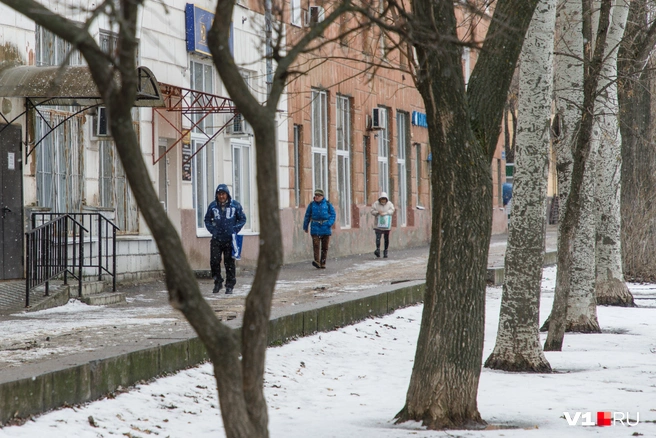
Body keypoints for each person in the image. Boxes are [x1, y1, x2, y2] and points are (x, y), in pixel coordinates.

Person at [204, 184, 247, 294]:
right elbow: (207, 220)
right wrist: (213, 230)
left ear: (227, 195)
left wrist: (234, 229)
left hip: (229, 239)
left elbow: (242, 219)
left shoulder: (235, 206)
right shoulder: (213, 206)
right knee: (214, 261)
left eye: (223, 194)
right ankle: (217, 282)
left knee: (229, 263)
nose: (221, 196)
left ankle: (230, 285)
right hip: (216, 239)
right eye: (219, 194)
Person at [303, 188, 336, 269]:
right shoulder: (311, 205)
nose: (316, 197)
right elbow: (307, 216)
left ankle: (323, 262)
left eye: (318, 195)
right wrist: (305, 226)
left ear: (322, 196)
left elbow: (333, 215)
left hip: (325, 228)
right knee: (316, 244)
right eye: (315, 195)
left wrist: (329, 223)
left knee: (324, 247)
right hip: (315, 227)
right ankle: (317, 261)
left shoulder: (328, 204)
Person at [370, 192, 395, 258]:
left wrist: (386, 213)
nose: (383, 201)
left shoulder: (389, 204)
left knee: (386, 238)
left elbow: (392, 210)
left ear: (386, 199)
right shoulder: (376, 204)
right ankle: (378, 249)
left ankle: (385, 251)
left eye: (384, 199)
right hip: (378, 224)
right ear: (380, 199)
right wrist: (378, 212)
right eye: (382, 199)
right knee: (378, 238)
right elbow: (372, 211)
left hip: (386, 225)